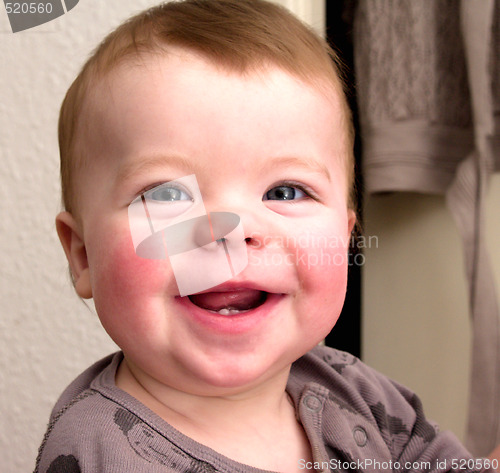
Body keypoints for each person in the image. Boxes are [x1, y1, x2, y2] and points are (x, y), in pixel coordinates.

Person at [34, 1, 498, 472]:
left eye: (286, 190)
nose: (233, 231)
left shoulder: (353, 390)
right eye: (169, 195)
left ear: (344, 239)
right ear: (83, 254)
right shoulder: (97, 451)